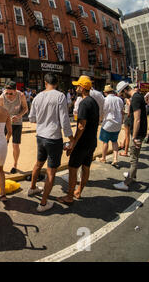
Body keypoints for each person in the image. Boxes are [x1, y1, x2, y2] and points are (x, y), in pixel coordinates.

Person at [28, 73, 74, 212]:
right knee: (51, 171)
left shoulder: (37, 97)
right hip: (53, 137)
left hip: (40, 135)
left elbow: (31, 118)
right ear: (57, 83)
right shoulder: (59, 96)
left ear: (45, 82)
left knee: (38, 163)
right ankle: (43, 203)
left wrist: (43, 120)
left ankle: (32, 188)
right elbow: (64, 120)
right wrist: (70, 137)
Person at [58, 76, 99, 204]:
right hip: (92, 141)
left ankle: (69, 197)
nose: (76, 88)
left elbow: (81, 126)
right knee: (86, 167)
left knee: (72, 168)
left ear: (82, 88)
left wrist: (73, 143)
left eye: (77, 86)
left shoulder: (83, 102)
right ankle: (78, 191)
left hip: (82, 142)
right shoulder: (94, 102)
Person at [113, 82, 148, 191]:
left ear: (124, 90)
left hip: (137, 133)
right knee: (135, 157)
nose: (123, 97)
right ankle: (133, 176)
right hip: (140, 132)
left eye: (122, 94)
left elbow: (137, 118)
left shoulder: (136, 98)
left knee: (133, 159)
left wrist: (134, 136)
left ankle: (126, 183)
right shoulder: (138, 96)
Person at [0, 81, 29, 174]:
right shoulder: (1, 97)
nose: (8, 95)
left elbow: (25, 108)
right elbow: (0, 110)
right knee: (3, 145)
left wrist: (19, 116)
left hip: (17, 123)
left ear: (16, 91)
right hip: (5, 123)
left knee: (15, 145)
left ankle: (15, 165)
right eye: (7, 93)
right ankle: (0, 165)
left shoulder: (21, 96)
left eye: (11, 93)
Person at [99, 85, 124, 168]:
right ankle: (115, 159)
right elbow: (122, 112)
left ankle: (103, 158)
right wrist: (121, 122)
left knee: (105, 142)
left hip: (107, 124)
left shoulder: (105, 100)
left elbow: (102, 112)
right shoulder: (119, 99)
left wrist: (100, 120)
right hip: (117, 124)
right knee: (114, 141)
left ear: (105, 92)